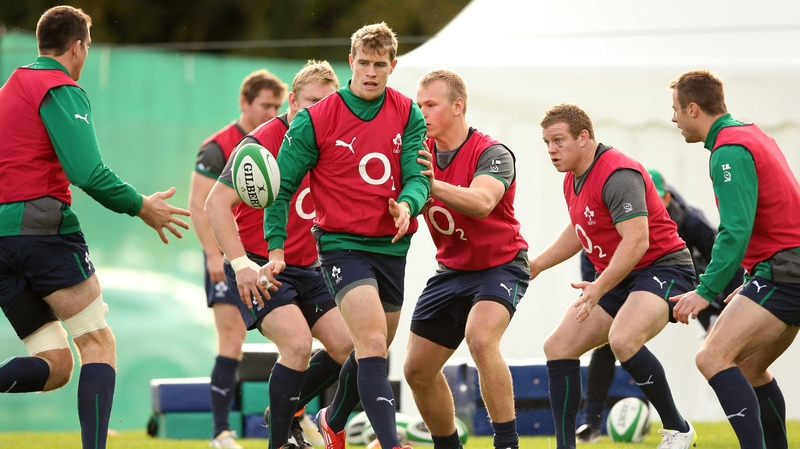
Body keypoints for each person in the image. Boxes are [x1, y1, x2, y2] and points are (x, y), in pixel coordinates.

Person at [0, 6, 190, 449]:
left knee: (56, 365)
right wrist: (142, 206)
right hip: (42, 231)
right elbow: (87, 173)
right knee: (98, 344)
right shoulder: (59, 88)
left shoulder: (9, 89)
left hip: (3, 241)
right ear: (78, 47)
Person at [259, 22, 430, 449]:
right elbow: (280, 188)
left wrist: (407, 204)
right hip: (341, 246)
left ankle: (331, 421)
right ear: (351, 61)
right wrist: (276, 246)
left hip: (392, 247)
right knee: (371, 343)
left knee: (372, 348)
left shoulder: (408, 112)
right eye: (364, 63)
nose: (371, 72)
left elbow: (418, 176)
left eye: (380, 65)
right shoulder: (315, 119)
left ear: (393, 66)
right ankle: (391, 444)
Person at [529, 103, 698, 449]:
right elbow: (579, 230)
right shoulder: (572, 178)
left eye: (558, 140)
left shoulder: (617, 173)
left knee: (623, 340)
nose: (551, 150)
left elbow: (637, 241)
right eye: (546, 142)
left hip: (664, 267)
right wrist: (536, 264)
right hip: (622, 275)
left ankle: (678, 429)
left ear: (584, 137)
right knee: (558, 347)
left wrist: (598, 288)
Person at [205, 60, 354, 449]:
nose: (318, 111)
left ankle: (290, 412)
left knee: (352, 347)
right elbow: (214, 204)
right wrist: (241, 266)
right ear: (292, 101)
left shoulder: (334, 141)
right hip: (260, 265)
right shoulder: (259, 144)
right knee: (298, 345)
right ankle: (278, 441)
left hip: (310, 267)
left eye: (327, 104)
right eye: (311, 102)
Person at [668, 69, 800, 449]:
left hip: (785, 270)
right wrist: (748, 279)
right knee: (750, 368)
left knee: (711, 357)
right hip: (784, 267)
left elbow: (735, 230)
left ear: (693, 109)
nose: (673, 118)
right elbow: (773, 215)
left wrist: (705, 290)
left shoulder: (728, 150)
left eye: (675, 109)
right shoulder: (750, 133)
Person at [402, 70, 529, 449]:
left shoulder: (492, 153)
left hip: (500, 265)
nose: (421, 112)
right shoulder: (415, 150)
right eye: (418, 105)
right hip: (451, 271)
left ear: (458, 106)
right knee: (417, 370)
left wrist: (431, 184)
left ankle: (507, 444)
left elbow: (482, 201)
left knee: (480, 338)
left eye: (431, 104)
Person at [574, 168, 746, 443]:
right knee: (609, 342)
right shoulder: (616, 219)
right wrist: (600, 295)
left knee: (726, 350)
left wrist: (726, 301)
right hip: (626, 284)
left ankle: (749, 423)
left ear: (665, 198)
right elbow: (592, 264)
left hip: (698, 285)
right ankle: (590, 423)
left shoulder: (691, 221)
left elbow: (725, 258)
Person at [188, 68, 287, 448]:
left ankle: (294, 421)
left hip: (272, 256)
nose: (271, 112)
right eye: (265, 105)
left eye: (277, 106)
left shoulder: (282, 139)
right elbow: (199, 205)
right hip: (230, 259)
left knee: (295, 342)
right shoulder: (218, 147)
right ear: (244, 103)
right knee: (231, 340)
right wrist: (215, 256)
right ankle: (220, 432)